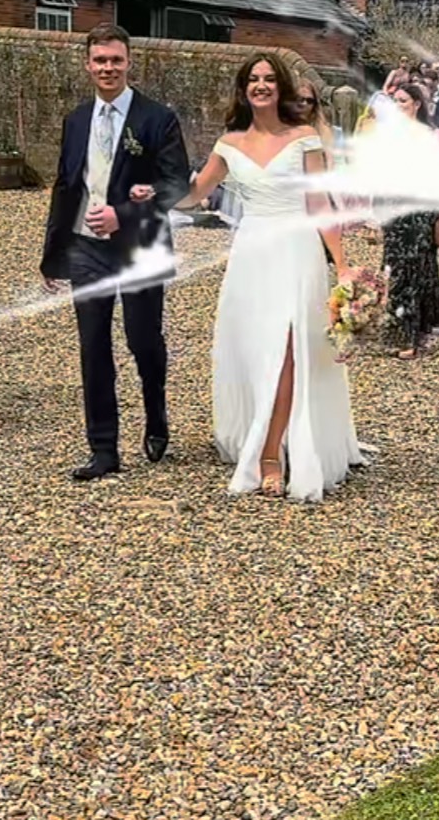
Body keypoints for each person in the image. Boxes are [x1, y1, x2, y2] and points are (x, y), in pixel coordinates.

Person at [134, 52, 362, 500]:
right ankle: (263, 435)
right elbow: (195, 195)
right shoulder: (229, 144)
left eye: (269, 79)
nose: (261, 85)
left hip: (297, 253)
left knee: (290, 351)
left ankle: (270, 454)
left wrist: (342, 265)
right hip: (252, 256)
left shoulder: (303, 140)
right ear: (244, 89)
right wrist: (151, 193)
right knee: (258, 351)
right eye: (253, 79)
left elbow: (320, 207)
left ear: (281, 87)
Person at [41, 27, 191, 481]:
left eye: (116, 61)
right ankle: (103, 450)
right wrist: (53, 253)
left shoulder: (157, 119)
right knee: (93, 346)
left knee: (142, 340)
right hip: (87, 250)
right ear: (87, 64)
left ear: (129, 63)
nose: (108, 68)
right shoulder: (76, 119)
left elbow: (177, 186)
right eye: (100, 60)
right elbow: (67, 186)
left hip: (140, 247)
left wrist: (124, 213)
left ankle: (156, 411)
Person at [382, 81, 439, 359]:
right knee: (398, 269)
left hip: (420, 208)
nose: (398, 107)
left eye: (403, 102)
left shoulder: (431, 136)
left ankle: (408, 335)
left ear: (416, 105)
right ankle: (411, 329)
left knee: (416, 269)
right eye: (395, 102)